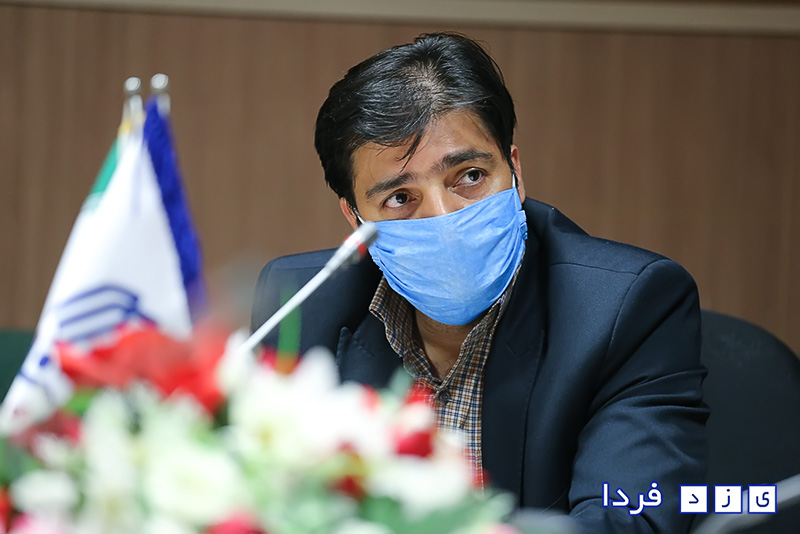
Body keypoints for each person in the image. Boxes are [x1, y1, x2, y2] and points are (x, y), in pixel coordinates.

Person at [251, 32, 708, 532]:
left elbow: (631, 517)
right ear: (355, 218)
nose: (443, 216)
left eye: (469, 176)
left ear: (514, 171)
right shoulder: (299, 306)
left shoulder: (625, 307)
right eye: (400, 198)